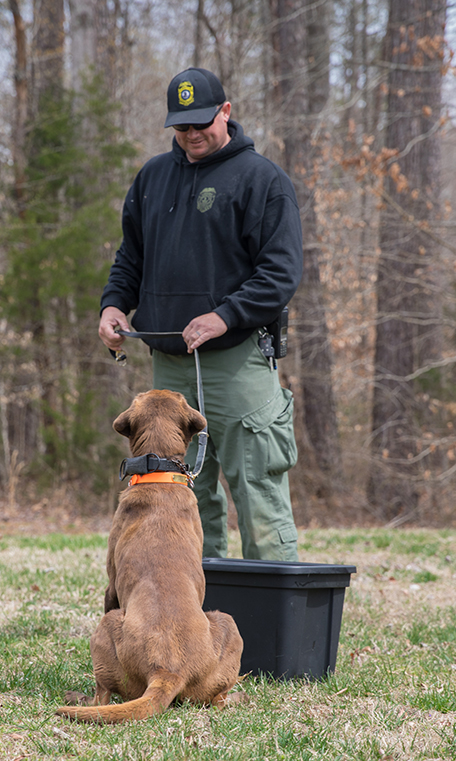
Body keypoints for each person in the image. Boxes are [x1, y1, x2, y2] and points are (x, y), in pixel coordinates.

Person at [98, 67, 303, 561]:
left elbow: (281, 272)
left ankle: (276, 608)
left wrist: (224, 315)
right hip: (169, 371)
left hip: (238, 363)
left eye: (201, 123)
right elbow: (130, 258)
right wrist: (113, 305)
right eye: (181, 126)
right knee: (182, 501)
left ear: (225, 112)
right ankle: (198, 607)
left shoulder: (262, 180)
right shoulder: (152, 178)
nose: (191, 134)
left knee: (258, 491)